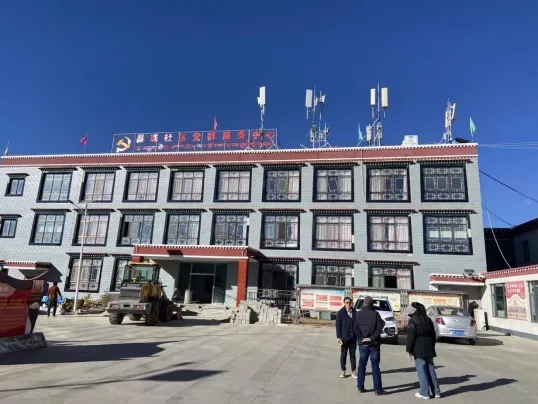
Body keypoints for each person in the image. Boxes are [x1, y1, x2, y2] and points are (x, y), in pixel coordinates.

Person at [406, 302, 441, 399]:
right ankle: (436, 392)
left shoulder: (413, 321)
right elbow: (433, 335)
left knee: (421, 371)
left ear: (414, 310)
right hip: (429, 348)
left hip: (419, 349)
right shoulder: (428, 319)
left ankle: (424, 392)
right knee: (431, 370)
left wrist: (409, 350)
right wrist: (432, 346)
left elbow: (411, 337)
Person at [353, 296, 386, 395]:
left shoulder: (358, 314)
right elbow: (379, 329)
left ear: (364, 303)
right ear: (371, 304)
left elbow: (355, 328)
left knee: (362, 366)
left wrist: (362, 338)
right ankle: (377, 389)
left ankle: (360, 387)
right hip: (374, 344)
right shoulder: (375, 314)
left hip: (363, 344)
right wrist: (371, 338)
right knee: (375, 367)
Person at [336, 297, 357, 378]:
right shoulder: (340, 312)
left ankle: (353, 371)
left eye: (349, 302)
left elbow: (357, 324)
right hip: (344, 338)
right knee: (343, 355)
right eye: (346, 302)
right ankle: (343, 370)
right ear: (344, 303)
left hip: (353, 338)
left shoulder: (355, 312)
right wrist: (338, 337)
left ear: (351, 303)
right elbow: (338, 326)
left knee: (353, 355)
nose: (348, 304)